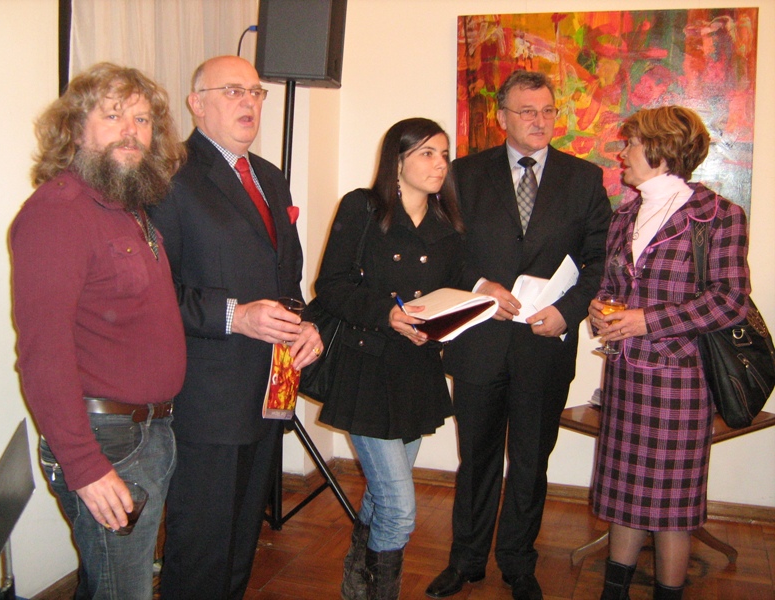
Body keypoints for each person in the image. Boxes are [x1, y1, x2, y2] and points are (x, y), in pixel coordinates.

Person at [426, 70, 612, 600]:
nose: (539, 120)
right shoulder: (463, 174)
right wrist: (479, 285)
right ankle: (465, 561)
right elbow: (442, 251)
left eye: (548, 110)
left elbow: (601, 260)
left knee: (531, 461)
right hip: (480, 340)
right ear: (502, 116)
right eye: (527, 111)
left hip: (544, 345)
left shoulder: (584, 178)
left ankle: (518, 563)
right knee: (476, 458)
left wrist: (568, 312)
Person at [11, 62, 187, 599]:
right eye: (112, 116)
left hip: (146, 432)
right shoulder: (58, 212)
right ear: (75, 128)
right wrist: (85, 466)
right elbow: (43, 355)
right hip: (106, 443)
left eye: (142, 120)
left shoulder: (125, 205)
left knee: (109, 585)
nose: (131, 131)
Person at [148, 55, 323, 599]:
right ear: (196, 104)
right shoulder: (169, 176)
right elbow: (154, 294)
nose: (249, 102)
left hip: (271, 388)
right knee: (201, 549)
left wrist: (304, 323)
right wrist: (235, 315)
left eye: (255, 92)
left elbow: (287, 275)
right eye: (232, 91)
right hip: (207, 400)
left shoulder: (269, 176)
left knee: (242, 540)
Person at [588, 106, 750, 600]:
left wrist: (647, 320)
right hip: (625, 377)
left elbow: (730, 300)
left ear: (660, 149)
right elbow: (615, 287)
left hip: (680, 382)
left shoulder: (718, 216)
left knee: (672, 509)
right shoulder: (624, 216)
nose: (622, 153)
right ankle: (613, 593)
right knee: (625, 498)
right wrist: (600, 310)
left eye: (631, 144)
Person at [314, 118, 465, 600]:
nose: (440, 164)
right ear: (397, 161)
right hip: (367, 370)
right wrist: (388, 314)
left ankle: (357, 581)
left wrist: (442, 323)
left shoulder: (448, 224)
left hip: (417, 372)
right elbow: (331, 285)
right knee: (399, 509)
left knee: (383, 496)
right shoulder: (363, 207)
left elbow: (450, 294)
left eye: (444, 154)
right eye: (427, 153)